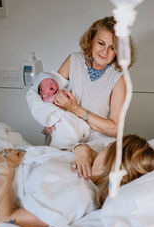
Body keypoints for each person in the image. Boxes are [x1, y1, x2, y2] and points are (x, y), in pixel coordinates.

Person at [0, 134, 154, 227]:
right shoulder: (88, 168)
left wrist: (4, 168)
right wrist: (81, 148)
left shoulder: (76, 195)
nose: (105, 146)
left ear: (111, 163)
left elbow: (3, 220)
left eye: (110, 148)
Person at [48, 16, 136, 145]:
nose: (105, 52)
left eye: (112, 48)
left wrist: (77, 110)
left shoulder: (119, 78)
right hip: (64, 136)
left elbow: (116, 129)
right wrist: (46, 121)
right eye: (101, 43)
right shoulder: (73, 60)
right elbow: (47, 93)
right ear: (91, 40)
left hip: (96, 144)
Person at [26, 72, 91, 149]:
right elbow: (44, 108)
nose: (49, 84)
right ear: (41, 92)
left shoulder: (63, 91)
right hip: (59, 121)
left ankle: (75, 141)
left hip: (71, 117)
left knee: (75, 128)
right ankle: (64, 146)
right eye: (45, 85)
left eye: (51, 82)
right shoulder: (44, 99)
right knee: (61, 135)